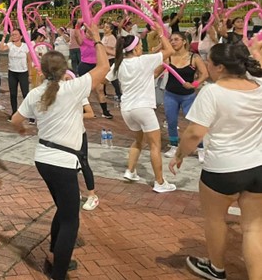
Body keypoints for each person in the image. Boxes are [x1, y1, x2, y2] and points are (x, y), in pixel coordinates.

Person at [10, 24, 109, 280]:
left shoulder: (36, 93)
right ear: (64, 69)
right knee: (70, 220)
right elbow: (104, 68)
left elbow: (15, 120)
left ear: (43, 70)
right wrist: (97, 40)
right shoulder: (73, 88)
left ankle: (55, 255)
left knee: (64, 209)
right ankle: (59, 272)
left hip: (43, 159)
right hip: (63, 162)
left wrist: (22, 131)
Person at [169, 42, 262, 280]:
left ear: (220, 67)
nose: (206, 65)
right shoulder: (260, 86)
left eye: (209, 61)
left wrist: (179, 155)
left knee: (215, 221)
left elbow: (194, 133)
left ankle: (216, 269)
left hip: (222, 169)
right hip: (257, 167)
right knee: (253, 228)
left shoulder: (212, 91)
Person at [110, 25, 177, 192]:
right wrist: (161, 34)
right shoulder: (143, 60)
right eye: (140, 46)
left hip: (127, 109)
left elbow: (107, 79)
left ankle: (130, 171)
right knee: (155, 145)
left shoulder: (119, 64)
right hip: (143, 108)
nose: (142, 48)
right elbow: (170, 50)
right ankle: (160, 183)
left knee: (139, 140)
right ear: (135, 48)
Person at [158, 32, 208, 160]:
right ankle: (174, 146)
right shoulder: (168, 57)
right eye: (171, 40)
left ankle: (200, 147)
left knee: (194, 122)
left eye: (176, 39)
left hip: (188, 96)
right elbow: (155, 70)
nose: (173, 42)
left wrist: (194, 84)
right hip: (170, 94)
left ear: (184, 41)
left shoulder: (194, 57)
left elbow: (204, 74)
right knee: (171, 121)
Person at [75, 27, 112, 119]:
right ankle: (85, 110)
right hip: (84, 66)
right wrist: (78, 25)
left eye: (91, 33)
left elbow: (109, 51)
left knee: (100, 90)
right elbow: (76, 34)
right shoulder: (82, 41)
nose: (90, 35)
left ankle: (105, 111)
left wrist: (121, 53)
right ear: (85, 33)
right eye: (88, 33)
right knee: (84, 90)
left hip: (96, 67)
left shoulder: (98, 44)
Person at [2, 29, 31, 121]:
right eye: (12, 34)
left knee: (25, 94)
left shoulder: (25, 46)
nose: (13, 36)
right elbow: (1, 48)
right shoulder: (10, 45)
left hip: (23, 72)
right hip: (12, 72)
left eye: (15, 34)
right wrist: (4, 37)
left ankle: (29, 114)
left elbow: (29, 61)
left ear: (21, 36)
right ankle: (14, 112)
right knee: (13, 94)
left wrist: (29, 74)